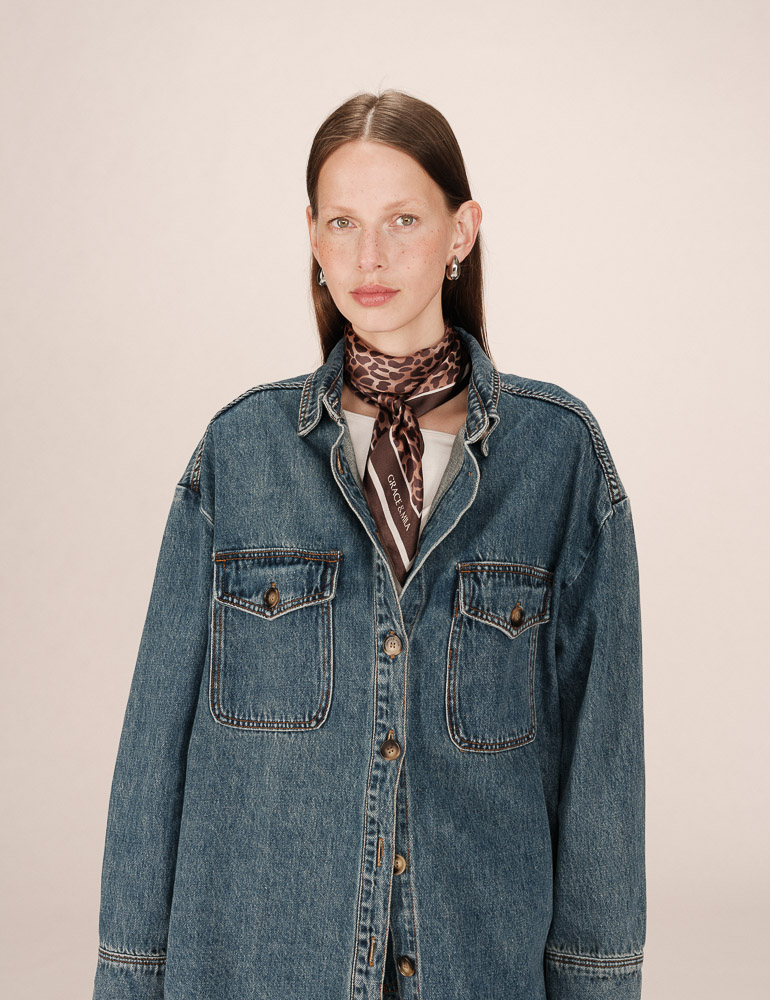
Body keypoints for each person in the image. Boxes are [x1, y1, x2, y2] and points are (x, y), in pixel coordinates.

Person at [92, 90, 646, 1000]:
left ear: (462, 230)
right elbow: (153, 754)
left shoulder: (558, 458)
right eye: (343, 222)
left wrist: (598, 983)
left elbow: (603, 773)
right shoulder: (239, 454)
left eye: (403, 219)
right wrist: (128, 976)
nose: (369, 257)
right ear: (312, 236)